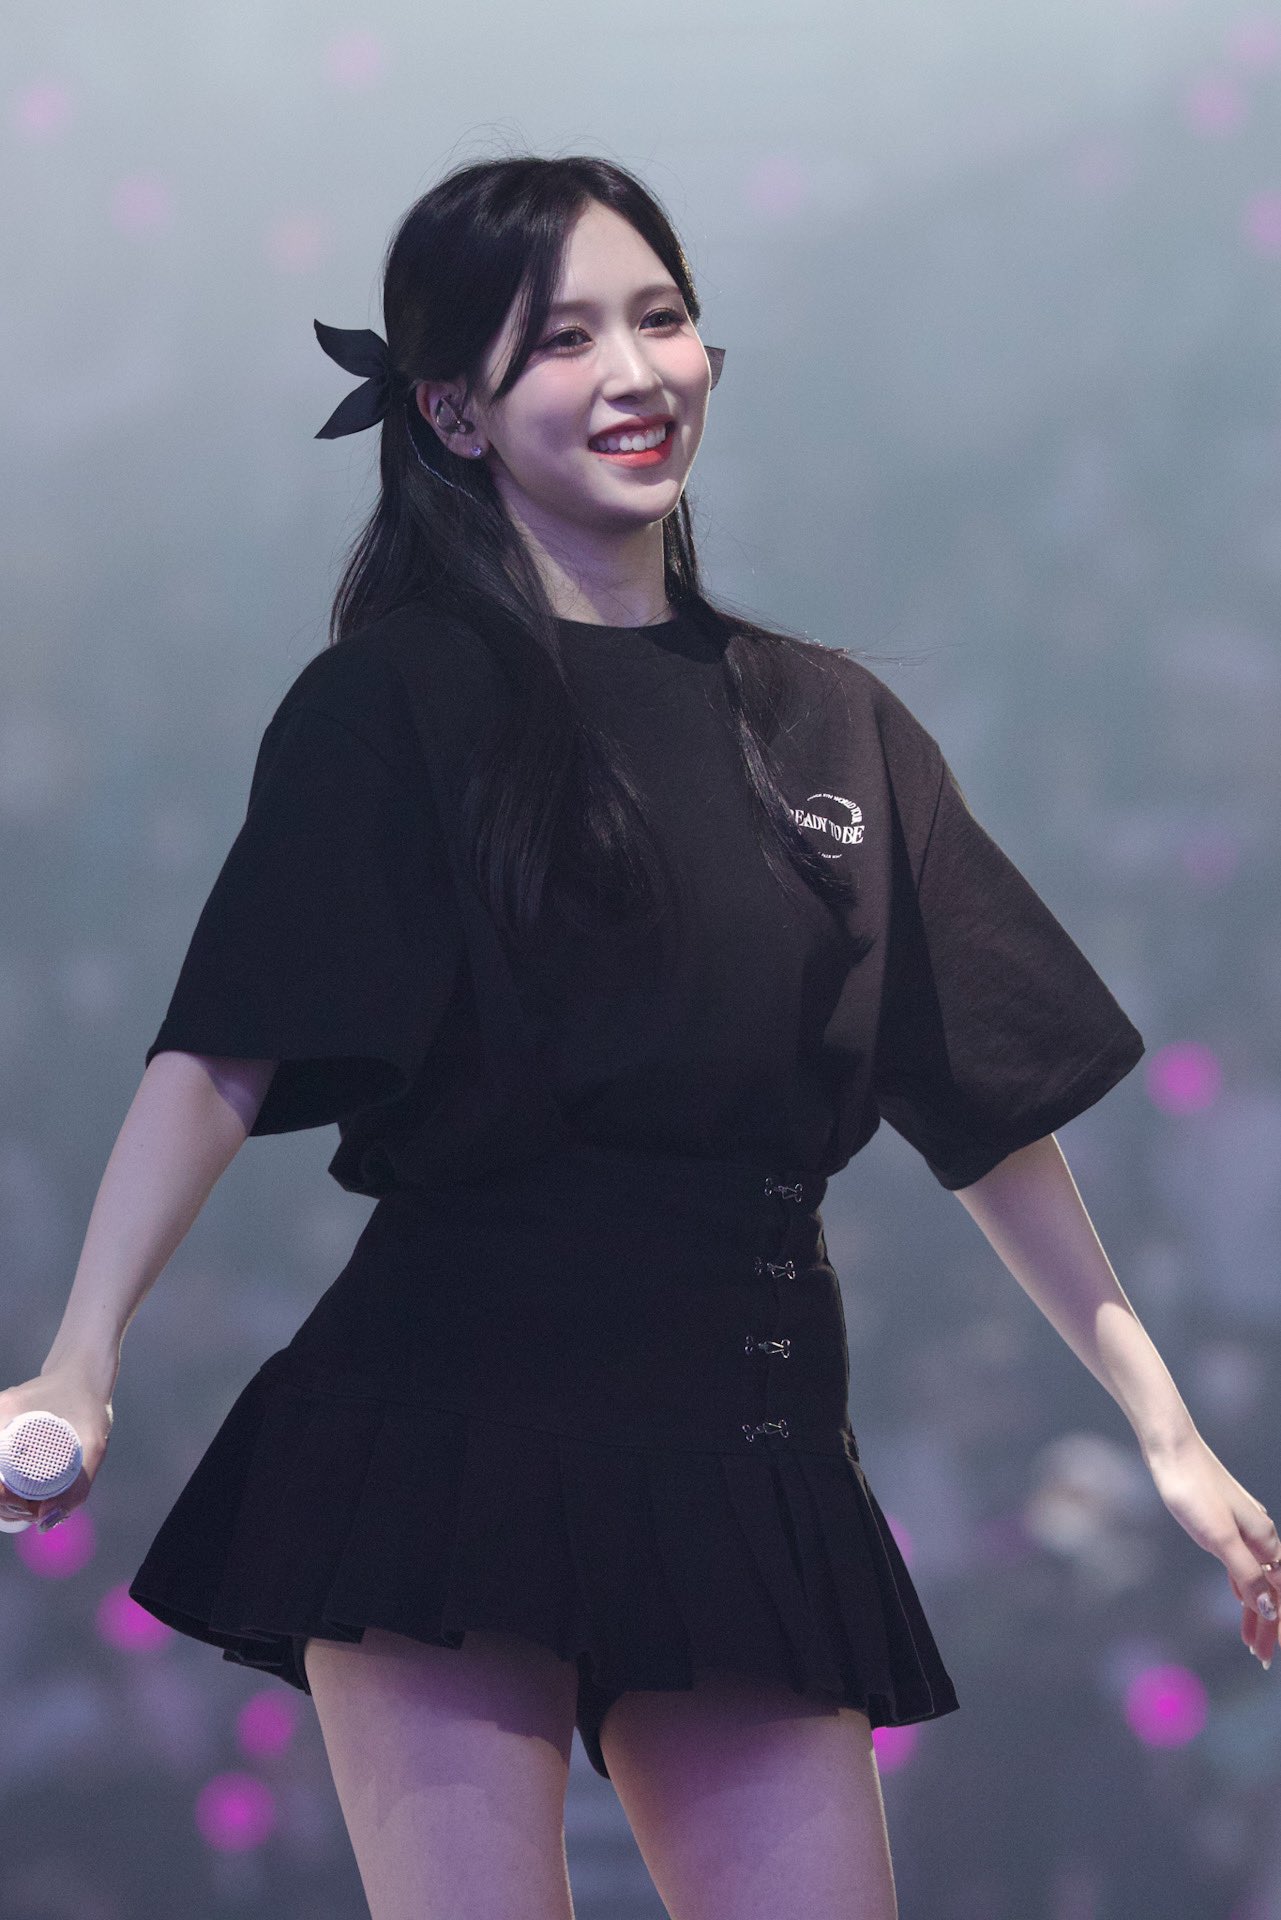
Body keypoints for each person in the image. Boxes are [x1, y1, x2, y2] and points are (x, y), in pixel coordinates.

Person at [3, 153, 1277, 1920]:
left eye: (660, 319)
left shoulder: (832, 721)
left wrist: (1163, 1429)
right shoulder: (393, 699)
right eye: (564, 339)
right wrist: (79, 1358)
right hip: (443, 1429)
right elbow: (225, 1049)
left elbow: (987, 1105)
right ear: (451, 410)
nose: (632, 372)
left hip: (749, 1443)